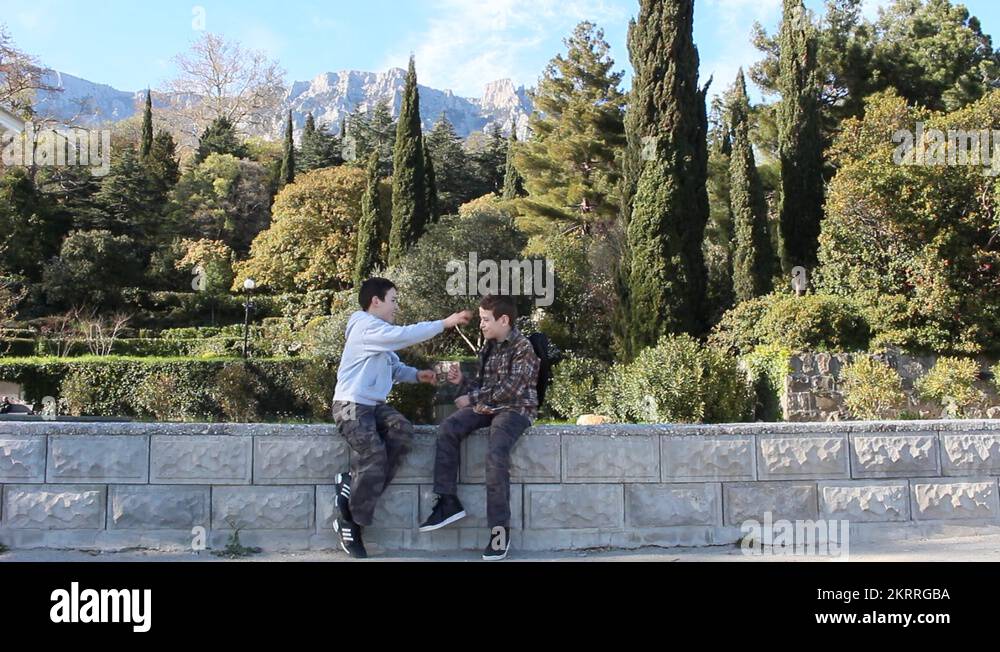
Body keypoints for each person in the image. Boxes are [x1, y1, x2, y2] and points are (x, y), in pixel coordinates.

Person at [330, 277, 471, 558]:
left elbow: (394, 366)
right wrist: (444, 323)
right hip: (349, 405)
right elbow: (405, 335)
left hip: (372, 406)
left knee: (402, 432)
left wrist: (418, 375)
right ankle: (349, 520)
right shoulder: (365, 327)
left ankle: (351, 485)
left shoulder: (378, 334)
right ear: (376, 301)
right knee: (373, 453)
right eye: (393, 300)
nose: (396, 306)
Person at [419, 294, 540, 560]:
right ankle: (448, 501)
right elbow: (482, 389)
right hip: (487, 407)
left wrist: (471, 399)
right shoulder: (488, 347)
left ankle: (499, 531)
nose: (481, 325)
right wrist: (462, 381)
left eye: (486, 320)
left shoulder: (523, 347)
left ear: (504, 320)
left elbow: (511, 390)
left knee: (495, 453)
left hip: (515, 410)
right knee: (448, 428)